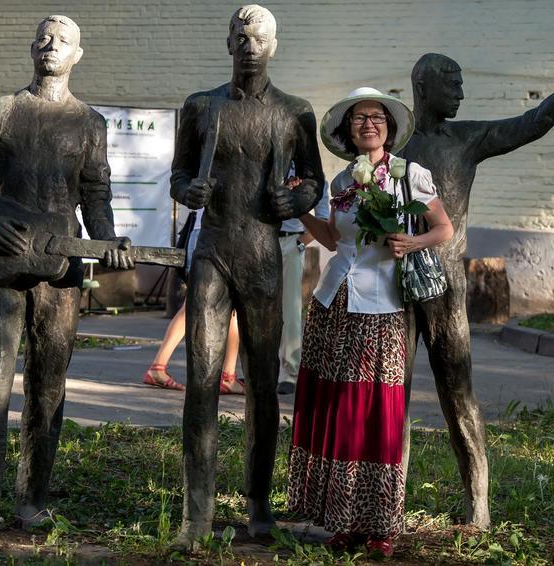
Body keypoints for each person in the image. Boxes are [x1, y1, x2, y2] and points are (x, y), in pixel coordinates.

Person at [0, 15, 133, 563]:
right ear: (31, 47)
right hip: (0, 267)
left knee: (49, 389)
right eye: (44, 37)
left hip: (60, 273)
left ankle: (34, 501)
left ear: (77, 55)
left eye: (63, 40)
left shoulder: (89, 123)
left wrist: (108, 240)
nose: (51, 45)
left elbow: (95, 194)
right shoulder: (3, 110)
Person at [397, 27, 554, 529]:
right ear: (426, 87)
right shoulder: (395, 145)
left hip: (445, 286)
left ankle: (478, 507)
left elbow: (532, 123)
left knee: (459, 394)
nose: (462, 94)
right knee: (391, 397)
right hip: (394, 286)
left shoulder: (467, 139)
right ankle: (388, 504)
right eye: (454, 84)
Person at [169, 4, 324, 547]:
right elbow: (179, 173)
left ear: (273, 45)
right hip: (212, 250)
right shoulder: (200, 106)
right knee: (203, 381)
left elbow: (314, 184)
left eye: (258, 35)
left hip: (262, 255)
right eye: (240, 35)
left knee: (263, 385)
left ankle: (258, 503)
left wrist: (297, 197)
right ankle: (198, 511)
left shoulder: (294, 112)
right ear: (227, 43)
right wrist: (186, 190)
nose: (249, 43)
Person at [287, 87, 454, 558]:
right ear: (347, 130)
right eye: (359, 118)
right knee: (338, 406)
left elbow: (443, 228)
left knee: (376, 410)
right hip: (332, 303)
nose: (369, 124)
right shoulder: (340, 182)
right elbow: (331, 237)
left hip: (381, 306)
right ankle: (342, 517)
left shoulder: (409, 176)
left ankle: (381, 522)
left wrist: (410, 242)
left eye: (377, 117)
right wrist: (298, 206)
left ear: (390, 127)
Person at [143, 208, 243, 394]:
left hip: (202, 231)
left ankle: (159, 366)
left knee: (195, 304)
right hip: (223, 231)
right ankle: (228, 377)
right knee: (229, 305)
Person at [276, 169, 330, 395]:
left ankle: (289, 371)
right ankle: (259, 366)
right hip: (261, 240)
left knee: (290, 308)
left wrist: (300, 244)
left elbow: (324, 217)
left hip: (291, 243)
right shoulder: (272, 170)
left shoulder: (316, 180)